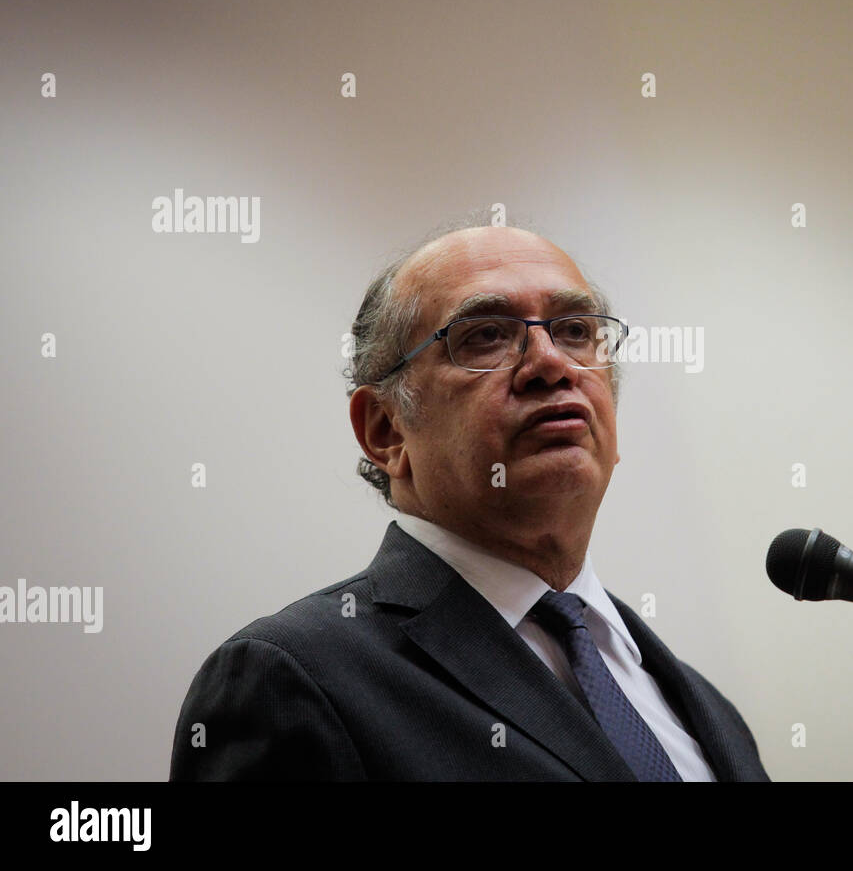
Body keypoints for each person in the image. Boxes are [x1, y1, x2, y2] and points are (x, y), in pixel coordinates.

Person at [169, 220, 769, 781]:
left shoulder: (707, 709)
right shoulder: (290, 678)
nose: (551, 365)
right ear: (386, 430)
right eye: (485, 336)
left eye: (577, 332)